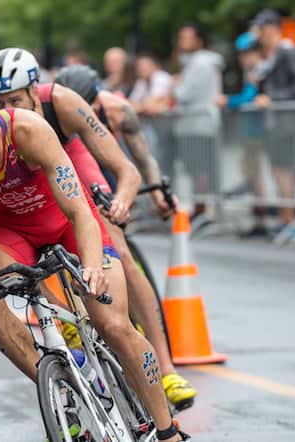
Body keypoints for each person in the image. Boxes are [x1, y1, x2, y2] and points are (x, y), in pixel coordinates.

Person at [0, 61, 188, 442]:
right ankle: (59, 388)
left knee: (113, 325)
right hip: (10, 231)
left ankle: (168, 430)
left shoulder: (27, 131)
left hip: (66, 222)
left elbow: (80, 210)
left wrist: (94, 266)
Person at [53, 63, 197, 410]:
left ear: (97, 103)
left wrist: (156, 192)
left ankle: (166, 368)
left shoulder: (119, 111)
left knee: (121, 253)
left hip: (105, 166)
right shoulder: (55, 114)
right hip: (67, 161)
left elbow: (142, 158)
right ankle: (71, 322)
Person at [253, 9, 295, 233]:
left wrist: (273, 98)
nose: (260, 34)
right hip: (274, 124)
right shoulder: (270, 55)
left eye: (262, 29)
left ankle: (290, 220)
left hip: (288, 122)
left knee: (287, 170)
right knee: (278, 170)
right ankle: (285, 218)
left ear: (272, 28)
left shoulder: (287, 50)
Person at [217, 32, 267, 237]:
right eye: (242, 54)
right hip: (251, 130)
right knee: (251, 173)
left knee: (255, 174)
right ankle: (259, 217)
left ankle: (262, 219)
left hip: (258, 130)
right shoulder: (252, 70)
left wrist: (228, 101)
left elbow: (250, 98)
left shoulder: (260, 70)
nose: (243, 58)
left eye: (247, 53)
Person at [173, 23, 224, 221]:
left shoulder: (200, 63)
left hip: (199, 124)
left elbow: (185, 94)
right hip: (197, 124)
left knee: (200, 169)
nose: (182, 42)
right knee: (197, 169)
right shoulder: (196, 62)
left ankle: (202, 209)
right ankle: (200, 207)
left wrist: (176, 86)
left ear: (199, 40)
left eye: (186, 37)